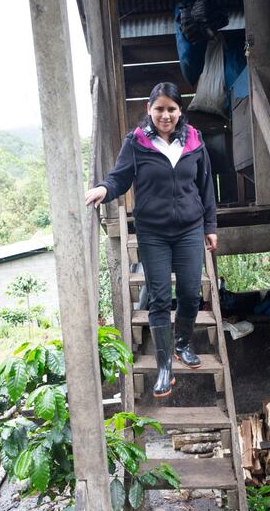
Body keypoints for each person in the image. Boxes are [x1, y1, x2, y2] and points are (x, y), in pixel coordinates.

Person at [85, 82, 217, 398]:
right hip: (153, 232)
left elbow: (206, 186)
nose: (165, 115)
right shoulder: (137, 142)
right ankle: (164, 368)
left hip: (189, 229)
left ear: (179, 111)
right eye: (159, 108)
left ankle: (182, 344)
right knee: (159, 296)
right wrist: (104, 189)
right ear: (149, 109)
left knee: (188, 292)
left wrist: (210, 225)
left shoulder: (195, 142)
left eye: (171, 108)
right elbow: (120, 176)